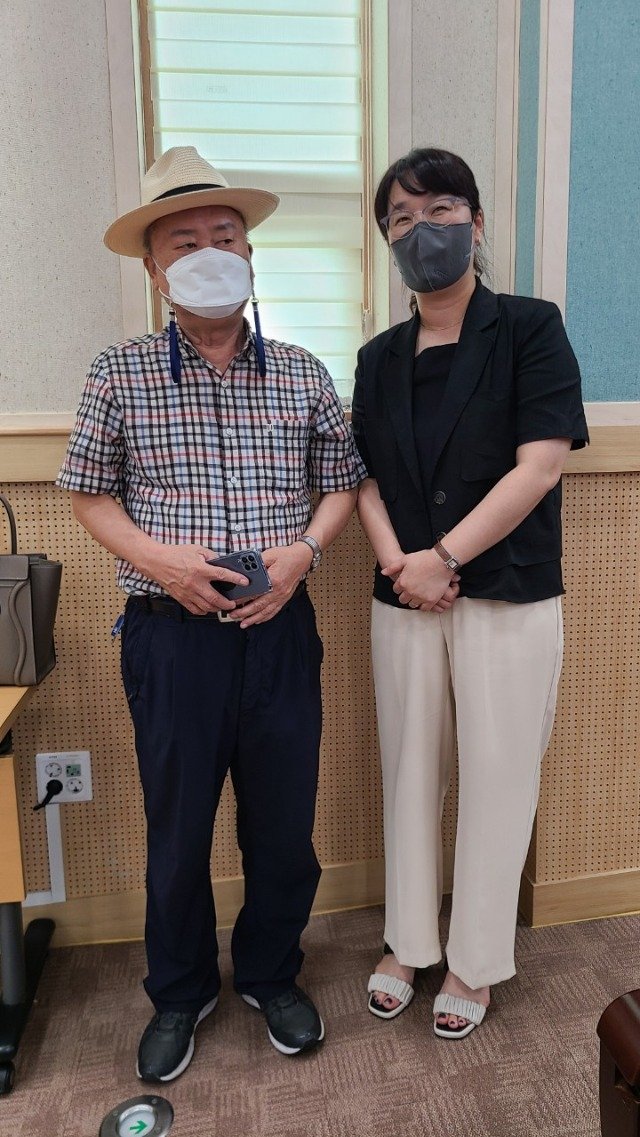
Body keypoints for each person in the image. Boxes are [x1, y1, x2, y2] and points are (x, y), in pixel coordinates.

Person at [57, 146, 366, 1080]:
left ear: (250, 254)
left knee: (282, 823)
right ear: (155, 270)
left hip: (280, 631)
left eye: (223, 236)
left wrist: (305, 551)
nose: (208, 253)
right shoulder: (119, 373)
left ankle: (272, 972)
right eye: (183, 242)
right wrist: (157, 559)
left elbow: (341, 483)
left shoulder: (303, 372)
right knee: (179, 826)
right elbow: (88, 491)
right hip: (171, 637)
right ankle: (180, 991)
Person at [352, 147, 588, 1038]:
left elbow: (541, 465)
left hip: (506, 592)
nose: (423, 230)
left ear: (477, 222)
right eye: (402, 218)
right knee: (409, 771)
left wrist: (443, 555)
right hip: (404, 596)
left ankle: (475, 959)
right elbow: (362, 475)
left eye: (441, 209)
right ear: (387, 240)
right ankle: (408, 941)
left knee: (498, 774)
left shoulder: (530, 326)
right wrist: (400, 564)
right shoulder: (377, 356)